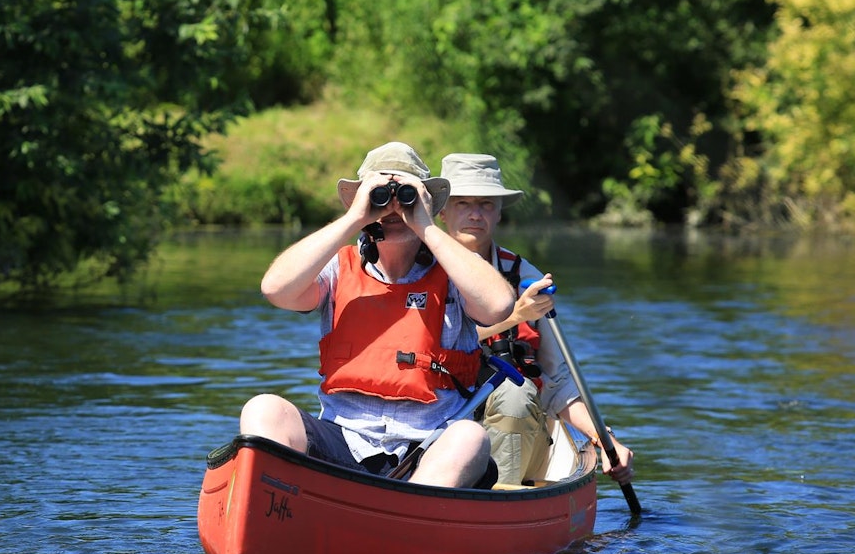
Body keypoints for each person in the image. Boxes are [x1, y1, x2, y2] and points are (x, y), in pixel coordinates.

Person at [239, 142, 516, 489]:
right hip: (344, 440)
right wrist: (356, 217)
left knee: (471, 438)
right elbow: (277, 289)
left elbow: (498, 306)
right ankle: (280, 510)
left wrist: (425, 226)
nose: (392, 210)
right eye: (381, 197)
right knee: (263, 409)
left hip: (429, 449)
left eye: (407, 198)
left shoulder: (454, 272)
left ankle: (410, 522)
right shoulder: (338, 269)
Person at [436, 153, 635, 487]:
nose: (474, 214)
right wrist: (515, 315)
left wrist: (605, 439)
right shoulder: (416, 271)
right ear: (442, 211)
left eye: (486, 204)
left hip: (513, 422)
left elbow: (557, 381)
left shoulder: (525, 277)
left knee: (517, 391)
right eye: (462, 203)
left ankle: (492, 505)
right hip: (435, 417)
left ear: (500, 213)